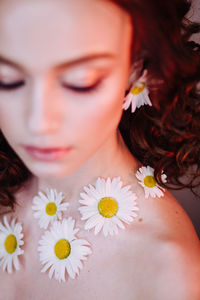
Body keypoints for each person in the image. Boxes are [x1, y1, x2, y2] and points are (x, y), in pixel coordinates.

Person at [0, 0, 199, 298]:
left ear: (137, 67)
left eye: (81, 83)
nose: (39, 122)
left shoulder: (167, 271)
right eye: (8, 80)